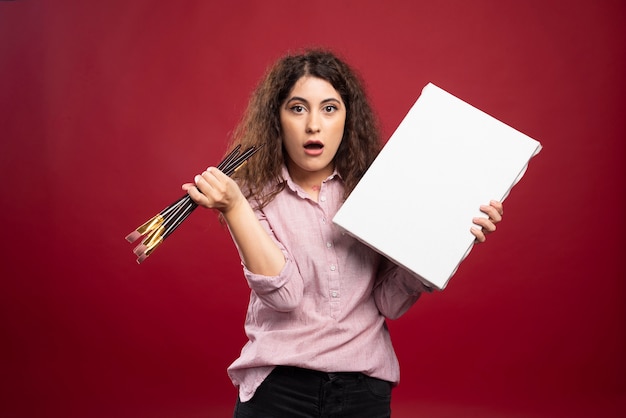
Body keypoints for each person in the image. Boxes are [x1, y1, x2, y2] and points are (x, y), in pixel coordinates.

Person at [182, 49, 503, 417]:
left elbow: (389, 302)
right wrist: (235, 206)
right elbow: (284, 296)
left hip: (362, 391)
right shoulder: (252, 194)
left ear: (348, 118)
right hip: (278, 389)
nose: (313, 125)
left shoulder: (379, 189)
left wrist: (447, 238)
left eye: (329, 108)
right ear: (277, 118)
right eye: (298, 108)